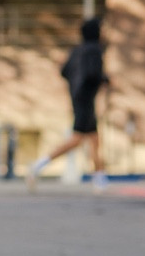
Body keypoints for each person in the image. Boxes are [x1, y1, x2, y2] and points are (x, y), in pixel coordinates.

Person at [27, 17, 109, 191]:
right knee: (77, 139)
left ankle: (99, 177)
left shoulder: (77, 51)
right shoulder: (94, 50)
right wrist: (105, 80)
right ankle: (38, 165)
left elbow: (64, 71)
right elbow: (93, 74)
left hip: (78, 97)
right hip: (86, 98)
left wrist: (75, 84)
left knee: (94, 139)